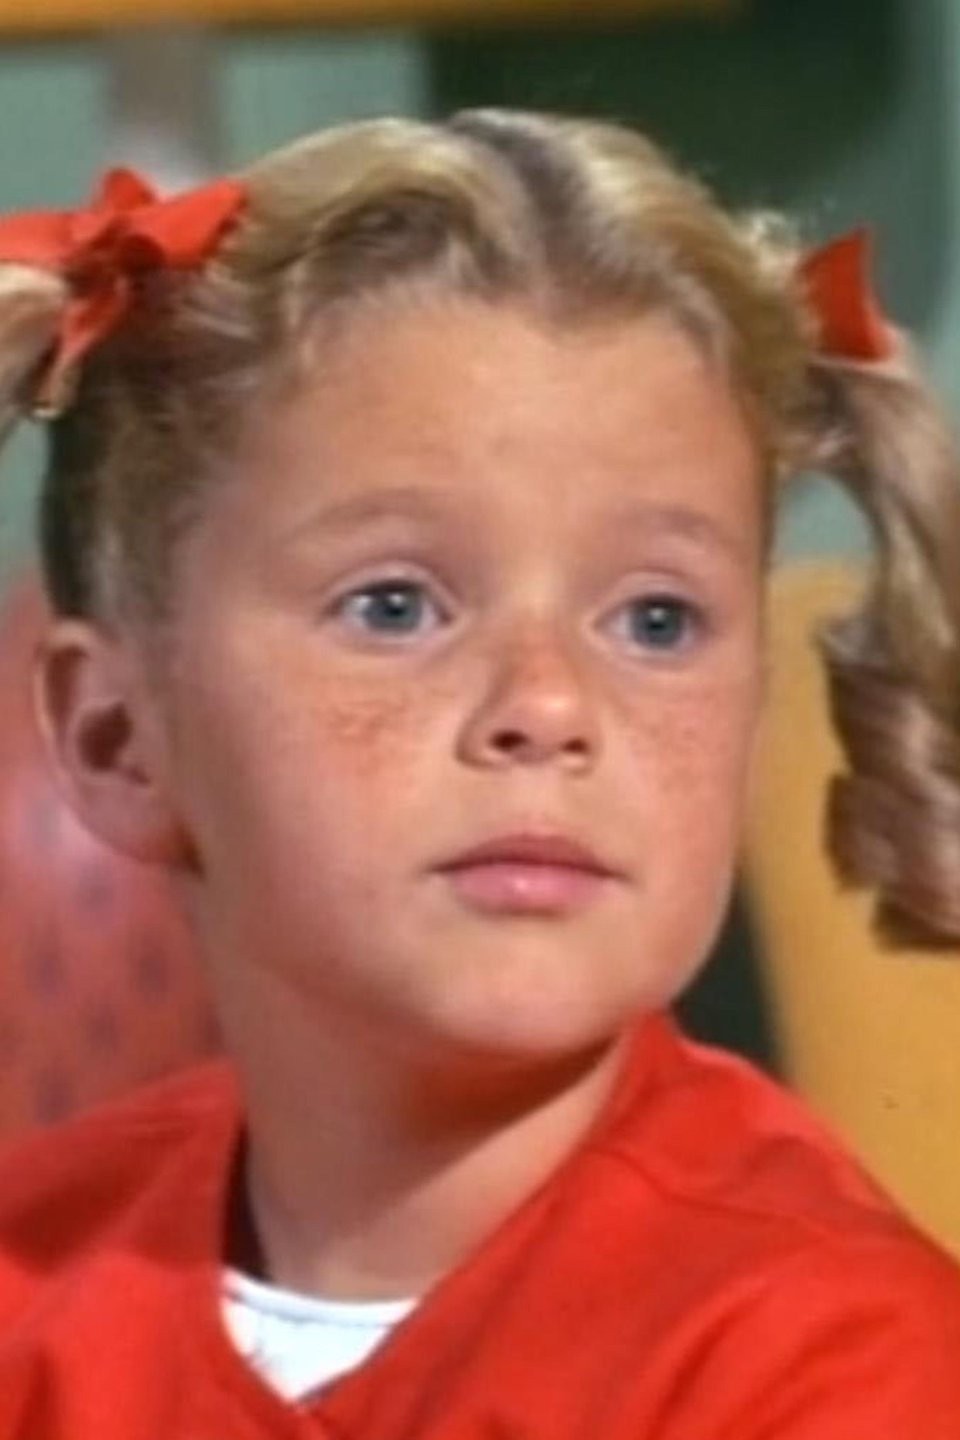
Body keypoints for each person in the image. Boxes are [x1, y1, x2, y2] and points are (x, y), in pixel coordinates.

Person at [0, 110, 956, 1439]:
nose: (550, 707)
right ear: (114, 734)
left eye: (657, 620)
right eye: (395, 606)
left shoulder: (840, 1363)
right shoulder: (34, 1270)